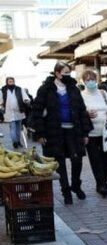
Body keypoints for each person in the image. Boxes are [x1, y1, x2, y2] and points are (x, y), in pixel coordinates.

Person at [29, 62, 92, 205]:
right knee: (60, 162)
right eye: (65, 73)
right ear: (57, 73)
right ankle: (66, 192)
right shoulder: (45, 89)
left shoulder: (73, 89)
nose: (67, 76)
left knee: (77, 160)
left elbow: (82, 111)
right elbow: (37, 112)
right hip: (54, 132)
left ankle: (76, 185)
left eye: (69, 73)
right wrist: (40, 134)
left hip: (73, 131)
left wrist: (85, 133)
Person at [80, 70, 107, 198]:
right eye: (87, 80)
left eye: (92, 79)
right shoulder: (81, 96)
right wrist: (86, 114)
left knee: (105, 159)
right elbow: (78, 113)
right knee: (95, 159)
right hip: (91, 134)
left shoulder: (103, 94)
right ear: (83, 81)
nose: (91, 81)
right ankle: (101, 184)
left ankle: (104, 180)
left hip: (105, 132)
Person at [1, 77, 32, 149]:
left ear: (14, 82)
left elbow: (25, 97)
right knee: (12, 128)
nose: (11, 83)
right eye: (9, 81)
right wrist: (2, 105)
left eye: (12, 81)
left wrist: (27, 100)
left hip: (19, 111)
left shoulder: (19, 89)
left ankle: (18, 141)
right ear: (7, 82)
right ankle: (14, 142)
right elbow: (1, 99)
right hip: (9, 112)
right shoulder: (3, 90)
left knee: (18, 128)